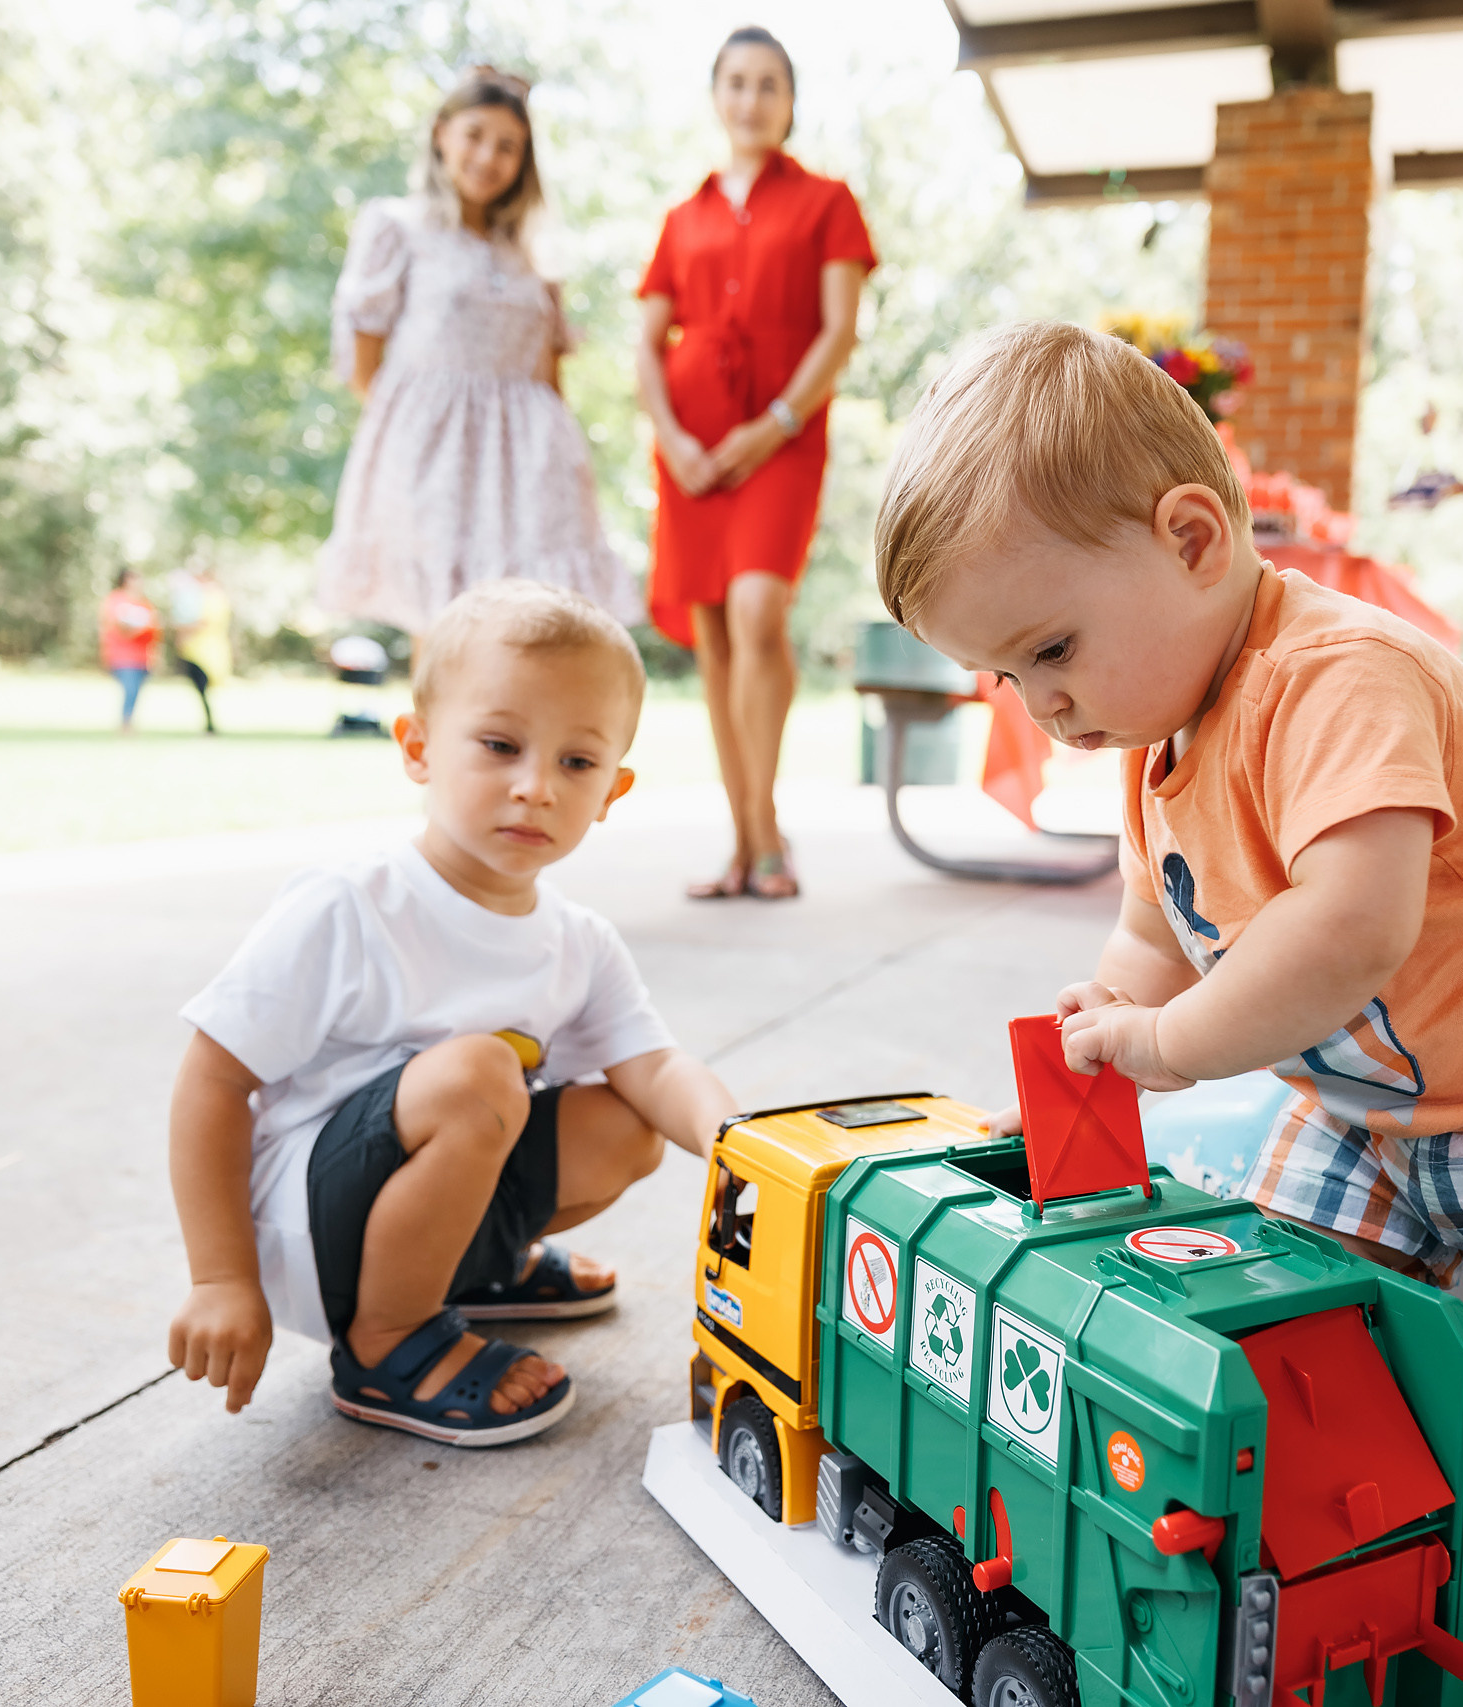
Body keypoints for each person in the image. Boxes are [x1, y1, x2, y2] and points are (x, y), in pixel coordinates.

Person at [872, 322, 1463, 1707]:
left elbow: (1352, 925)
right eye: (1007, 675)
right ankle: (1338, 1602)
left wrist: (1170, 1047)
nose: (1042, 704)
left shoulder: (1337, 674)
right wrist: (1116, 1007)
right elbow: (1156, 927)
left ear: (1191, 537)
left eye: (1050, 645)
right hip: (1391, 1114)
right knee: (1263, 1315)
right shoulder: (1152, 736)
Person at [165, 581, 735, 1445]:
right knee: (479, 1072)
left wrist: (743, 1144)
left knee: (627, 1124)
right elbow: (211, 1080)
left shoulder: (577, 939)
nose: (536, 787)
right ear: (419, 747)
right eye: (501, 745)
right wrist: (220, 1277)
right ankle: (386, 1342)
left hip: (424, 1187)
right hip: (311, 1231)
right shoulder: (351, 904)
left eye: (575, 763)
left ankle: (467, 1271)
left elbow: (654, 1067)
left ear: (613, 789)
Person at [635, 27, 875, 900]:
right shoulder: (682, 216)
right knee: (711, 639)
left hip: (779, 442)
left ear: (789, 100)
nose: (751, 98)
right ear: (716, 94)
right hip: (692, 453)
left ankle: (766, 829)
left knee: (757, 609)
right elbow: (646, 342)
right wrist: (673, 439)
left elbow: (838, 331)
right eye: (736, 82)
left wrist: (773, 423)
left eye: (768, 83)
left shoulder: (827, 203)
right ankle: (741, 843)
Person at [319, 67, 641, 640]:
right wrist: (415, 436)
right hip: (434, 456)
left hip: (531, 466)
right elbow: (363, 361)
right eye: (475, 135)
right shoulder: (397, 225)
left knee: (523, 626)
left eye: (508, 146)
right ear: (441, 133)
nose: (488, 157)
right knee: (443, 623)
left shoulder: (532, 257)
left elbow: (548, 373)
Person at [166, 564, 234, 735]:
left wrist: (181, 629)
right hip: (197, 649)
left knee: (204, 687)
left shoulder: (214, 598)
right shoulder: (201, 597)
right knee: (201, 688)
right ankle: (209, 724)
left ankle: (210, 725)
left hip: (207, 651)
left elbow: (203, 622)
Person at [99, 568, 157, 735]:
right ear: (126, 580)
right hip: (122, 656)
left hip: (142, 656)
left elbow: (154, 628)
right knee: (130, 689)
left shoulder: (144, 602)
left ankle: (129, 722)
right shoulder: (115, 600)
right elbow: (117, 626)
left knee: (136, 692)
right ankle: (125, 725)